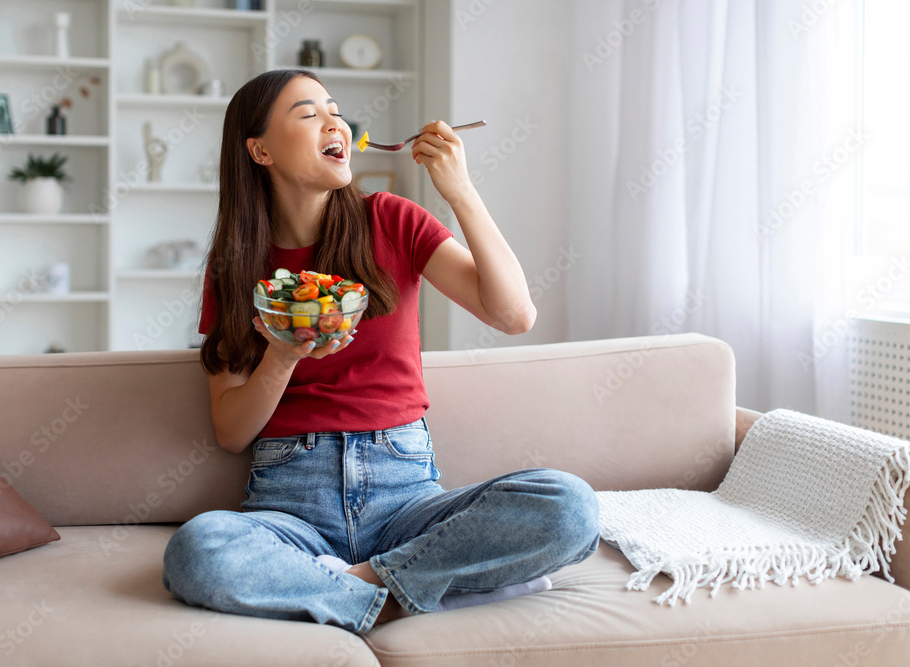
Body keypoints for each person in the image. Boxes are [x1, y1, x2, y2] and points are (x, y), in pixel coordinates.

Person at [161, 69, 600, 634]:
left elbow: (513, 315)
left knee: (570, 507)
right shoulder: (236, 266)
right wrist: (284, 356)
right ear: (259, 149)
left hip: (406, 499)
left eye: (335, 109)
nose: (334, 121)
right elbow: (231, 431)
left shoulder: (390, 219)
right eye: (308, 112)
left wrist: (459, 190)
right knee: (198, 550)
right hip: (291, 503)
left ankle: (356, 585)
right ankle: (421, 591)